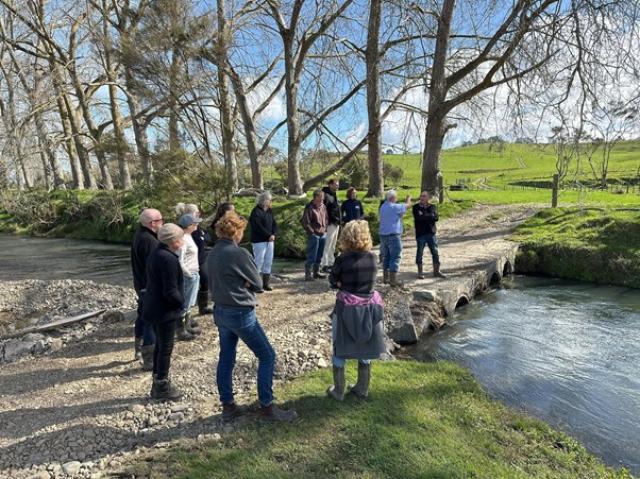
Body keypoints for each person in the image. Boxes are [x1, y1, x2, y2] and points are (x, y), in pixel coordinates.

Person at [206, 212, 297, 422]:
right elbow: (257, 283)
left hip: (220, 310)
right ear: (236, 232)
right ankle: (267, 407)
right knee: (267, 355)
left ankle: (228, 406)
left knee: (226, 358)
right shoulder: (239, 253)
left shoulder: (211, 253)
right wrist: (244, 283)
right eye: (241, 231)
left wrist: (239, 282)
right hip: (239, 311)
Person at [328, 220, 385, 401]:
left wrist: (339, 283)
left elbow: (332, 281)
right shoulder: (373, 257)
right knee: (366, 346)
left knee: (340, 346)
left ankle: (338, 391)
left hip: (346, 308)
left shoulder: (342, 258)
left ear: (346, 237)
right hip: (368, 307)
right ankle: (362, 388)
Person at [142, 223, 185, 401]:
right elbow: (170, 291)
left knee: (160, 346)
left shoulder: (156, 252)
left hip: (154, 306)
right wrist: (182, 303)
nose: (182, 241)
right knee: (165, 348)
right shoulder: (168, 259)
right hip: (164, 310)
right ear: (173, 241)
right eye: (180, 238)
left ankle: (157, 381)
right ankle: (161, 386)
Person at [130, 208, 162, 370]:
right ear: (152, 223)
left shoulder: (139, 235)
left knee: (142, 315)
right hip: (148, 287)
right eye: (161, 220)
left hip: (140, 284)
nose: (162, 223)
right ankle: (148, 358)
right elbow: (153, 267)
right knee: (150, 321)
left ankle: (138, 349)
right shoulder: (150, 241)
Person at [176, 203, 213, 315]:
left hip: (199, 261)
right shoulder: (185, 234)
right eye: (196, 212)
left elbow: (207, 237)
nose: (198, 214)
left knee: (202, 284)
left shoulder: (194, 230)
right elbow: (180, 258)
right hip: (191, 266)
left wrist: (203, 237)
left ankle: (200, 308)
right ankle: (184, 322)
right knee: (187, 295)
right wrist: (188, 273)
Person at [177, 213, 203, 340]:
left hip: (193, 273)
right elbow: (180, 260)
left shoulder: (188, 236)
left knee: (190, 302)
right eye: (195, 223)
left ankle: (186, 326)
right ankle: (181, 331)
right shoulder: (183, 238)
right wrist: (189, 274)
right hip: (189, 275)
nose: (197, 224)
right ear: (188, 225)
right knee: (185, 303)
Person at [379, 190, 411, 287]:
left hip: (383, 235)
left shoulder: (383, 206)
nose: (396, 199)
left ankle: (386, 278)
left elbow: (398, 215)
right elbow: (408, 205)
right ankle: (393, 280)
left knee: (386, 256)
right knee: (395, 256)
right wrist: (408, 198)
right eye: (396, 197)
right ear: (392, 198)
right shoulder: (394, 207)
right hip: (393, 235)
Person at [413, 191, 446, 279]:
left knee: (435, 252)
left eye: (424, 196)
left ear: (428, 198)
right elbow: (418, 218)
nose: (422, 198)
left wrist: (424, 215)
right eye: (421, 196)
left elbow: (436, 217)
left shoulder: (432, 206)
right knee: (419, 253)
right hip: (421, 234)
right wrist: (429, 215)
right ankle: (420, 272)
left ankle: (436, 271)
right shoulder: (416, 207)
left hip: (431, 233)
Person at [249, 192, 277, 291]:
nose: (271, 202)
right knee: (258, 262)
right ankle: (256, 285)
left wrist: (273, 234)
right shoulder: (255, 212)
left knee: (268, 261)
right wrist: (268, 235)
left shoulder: (269, 211)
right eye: (270, 200)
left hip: (270, 241)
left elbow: (274, 223)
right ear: (265, 200)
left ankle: (266, 284)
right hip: (259, 241)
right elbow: (257, 227)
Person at [301, 189, 329, 281]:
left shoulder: (323, 206)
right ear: (316, 197)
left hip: (322, 233)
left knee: (319, 254)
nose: (322, 199)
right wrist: (312, 233)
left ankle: (316, 272)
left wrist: (325, 229)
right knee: (312, 254)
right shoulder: (309, 207)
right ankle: (308, 274)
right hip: (314, 234)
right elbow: (305, 222)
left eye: (323, 197)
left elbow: (326, 218)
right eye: (321, 197)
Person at [320, 179, 341, 272]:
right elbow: (323, 210)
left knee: (333, 244)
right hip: (329, 223)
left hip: (336, 222)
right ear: (330, 184)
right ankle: (324, 264)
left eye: (338, 185)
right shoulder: (325, 195)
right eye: (336, 184)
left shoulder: (334, 194)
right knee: (327, 244)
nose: (337, 186)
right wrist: (325, 223)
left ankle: (331, 262)